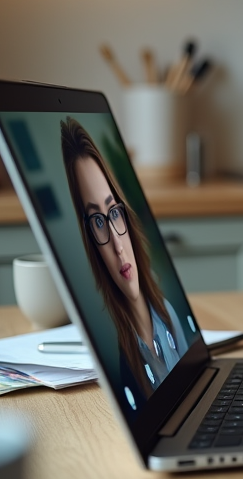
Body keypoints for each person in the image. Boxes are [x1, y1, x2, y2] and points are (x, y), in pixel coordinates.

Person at [60, 117, 188, 404]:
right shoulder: (125, 367)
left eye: (114, 213)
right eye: (97, 221)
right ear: (89, 240)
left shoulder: (167, 315)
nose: (118, 246)